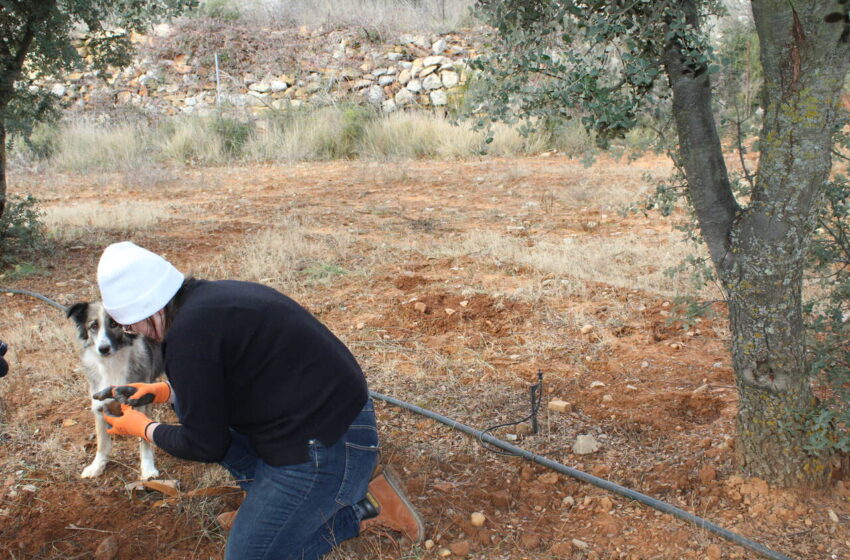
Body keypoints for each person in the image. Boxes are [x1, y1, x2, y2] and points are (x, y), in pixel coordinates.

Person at [96, 241, 424, 560]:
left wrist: (144, 428)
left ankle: (362, 511)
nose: (135, 331)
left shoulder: (187, 340)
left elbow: (204, 444)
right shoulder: (207, 300)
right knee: (187, 407)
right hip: (328, 423)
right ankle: (271, 507)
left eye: (129, 324)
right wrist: (166, 392)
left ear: (147, 309)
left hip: (331, 447)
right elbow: (228, 381)